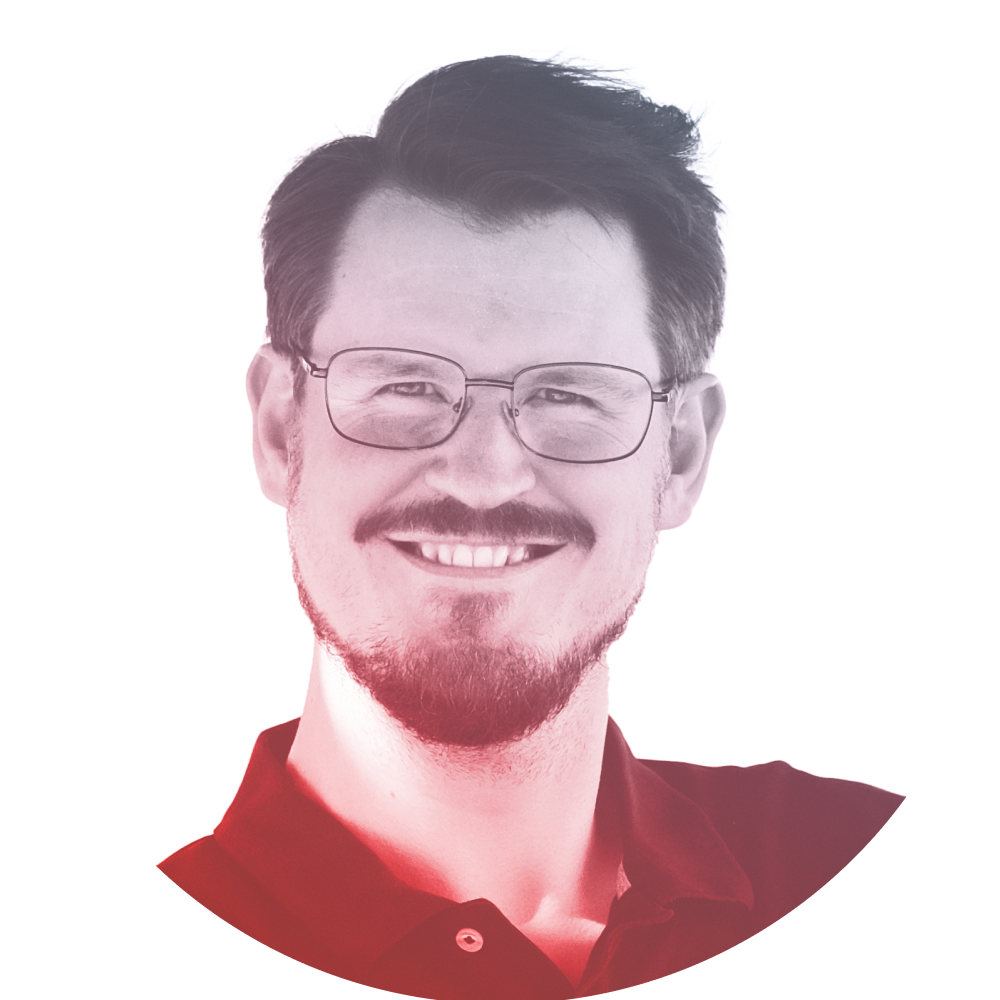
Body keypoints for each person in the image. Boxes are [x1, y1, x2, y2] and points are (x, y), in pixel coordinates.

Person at [158, 55, 903, 996]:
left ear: (680, 454)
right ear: (279, 430)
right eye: (406, 384)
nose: (483, 475)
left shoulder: (844, 850)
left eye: (569, 395)